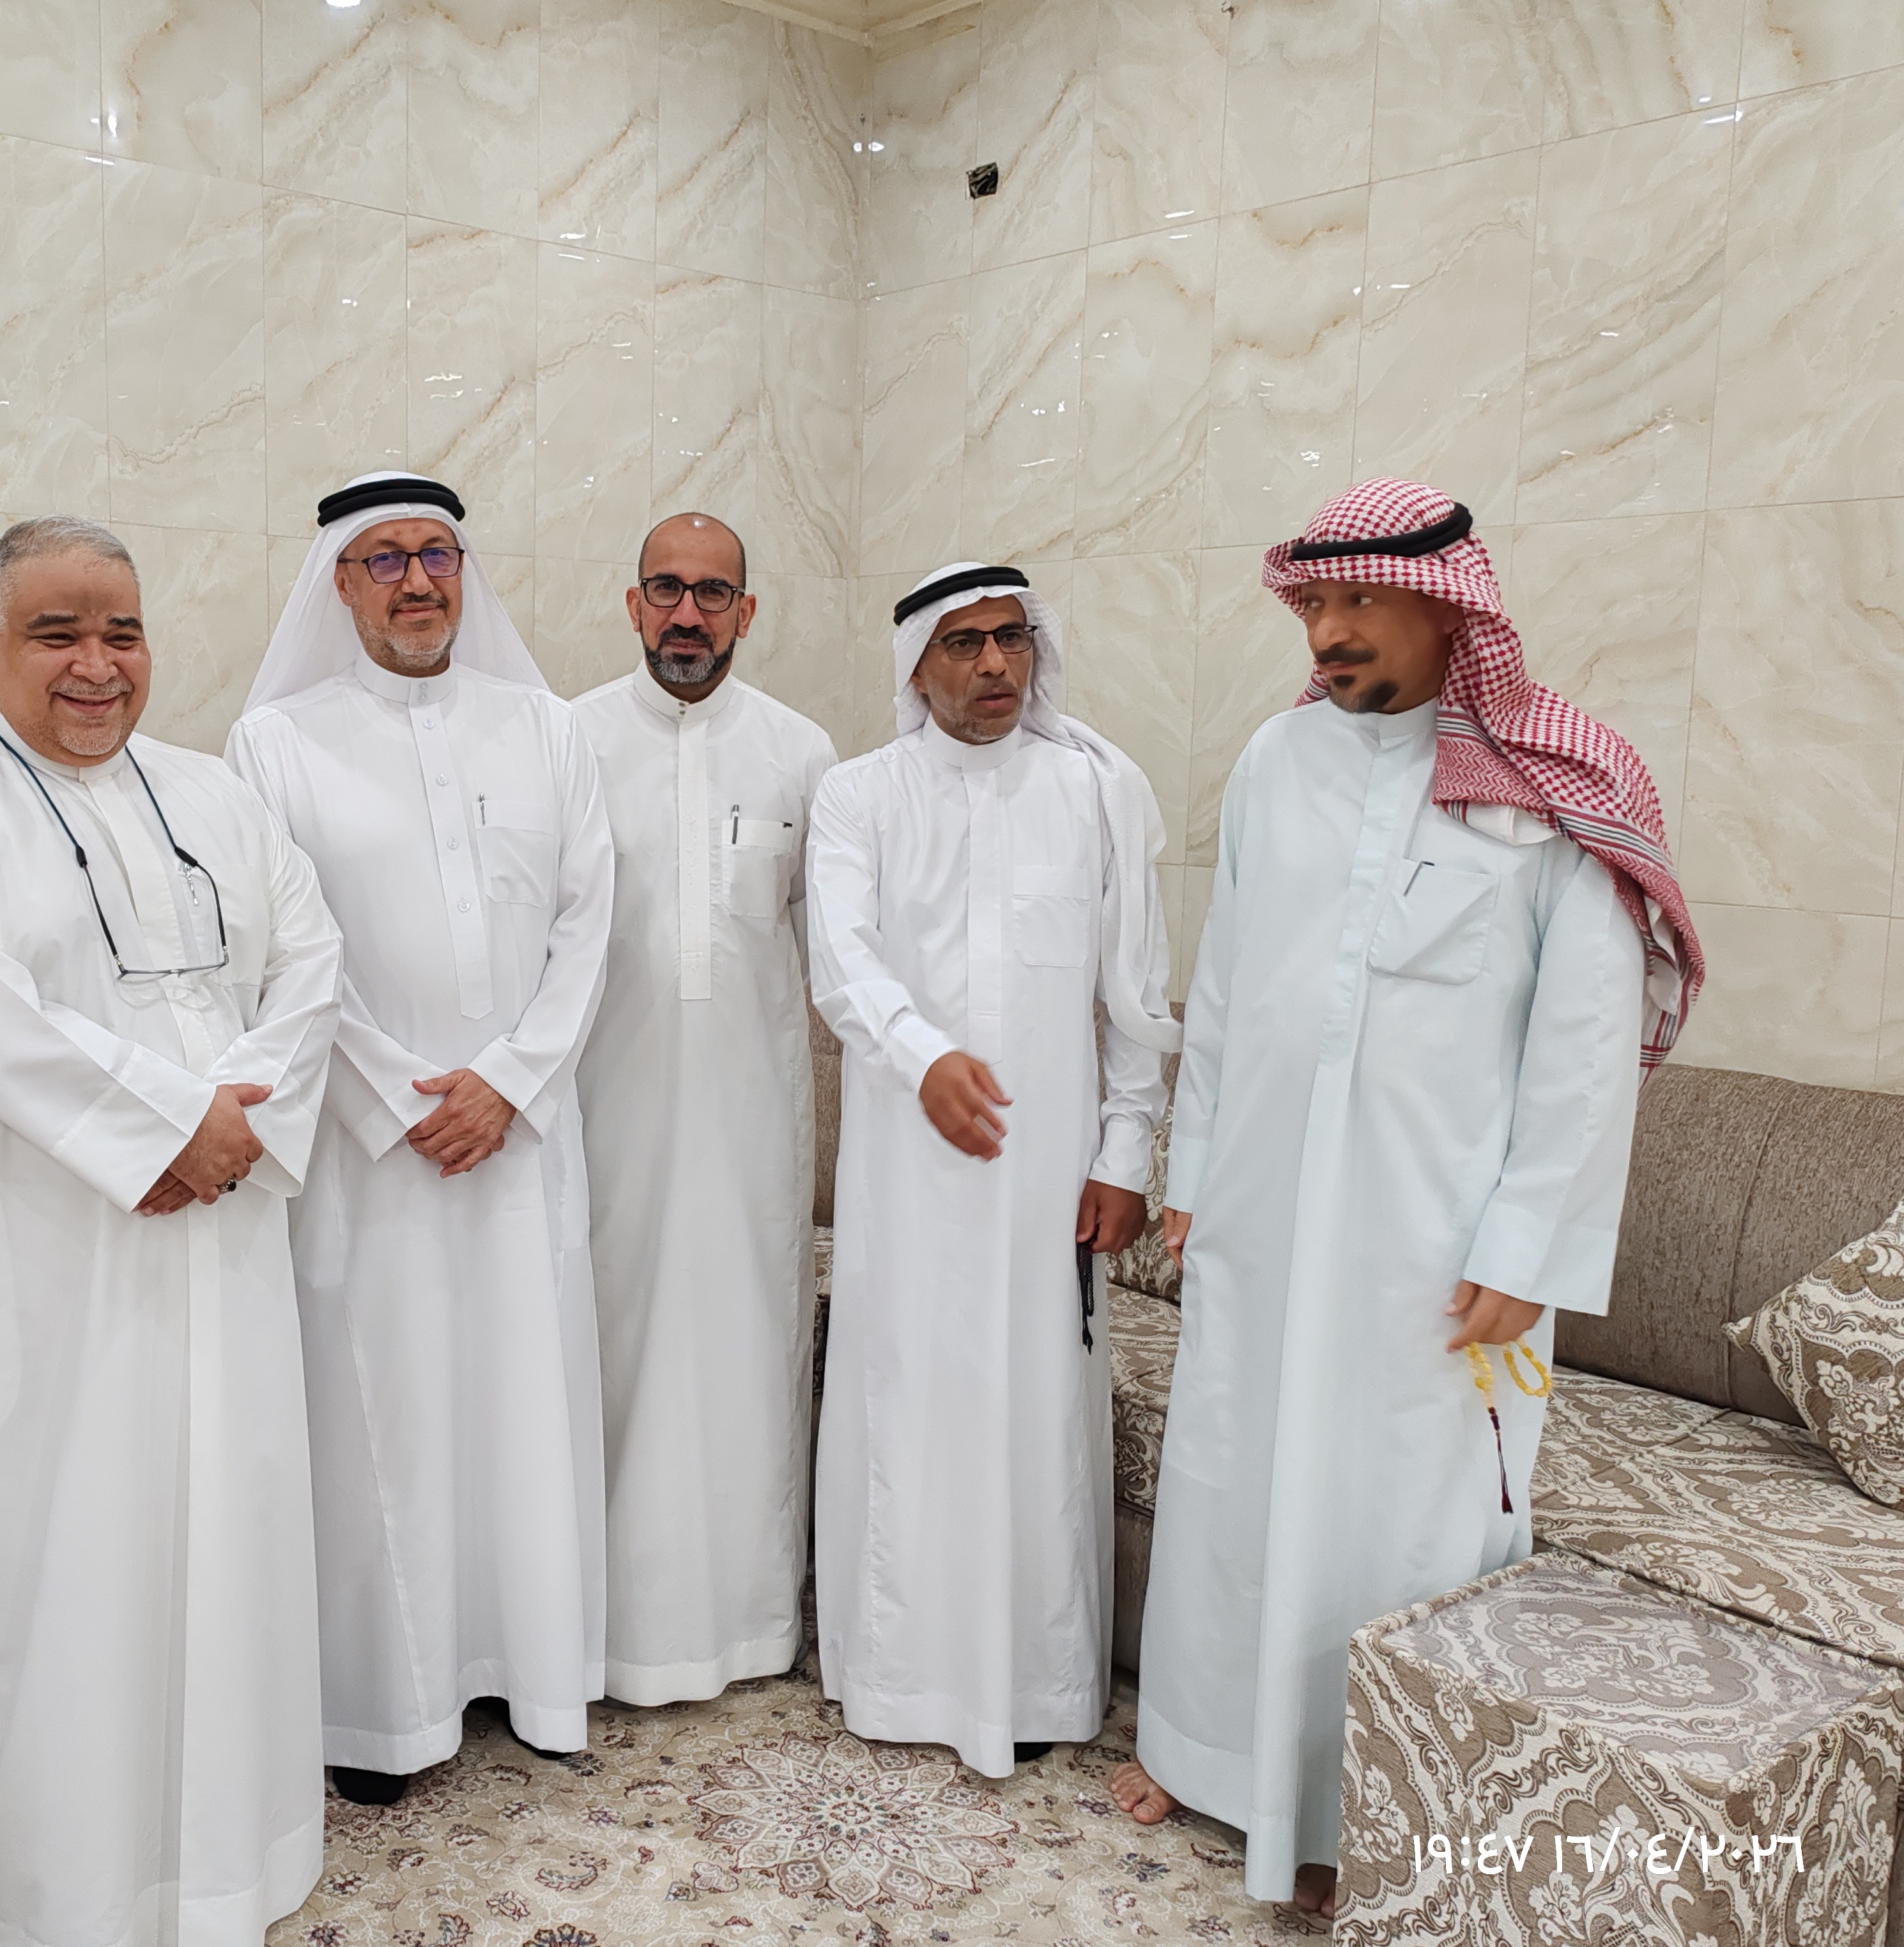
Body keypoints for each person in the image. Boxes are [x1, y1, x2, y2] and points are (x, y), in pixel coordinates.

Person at [1112, 480, 1705, 1915]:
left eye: (1359, 602)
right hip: (1261, 1220)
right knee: (1233, 1482)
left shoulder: (1560, 790)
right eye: (1313, 603)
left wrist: (1530, 1246)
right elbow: (1230, 985)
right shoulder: (1275, 761)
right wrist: (1193, 1174)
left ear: (1451, 608)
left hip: (1438, 1254)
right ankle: (1202, 1754)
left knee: (1397, 1515)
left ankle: (1360, 1809)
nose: (1328, 631)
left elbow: (1583, 1053)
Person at [0, 516, 341, 1944]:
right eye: (58, 633)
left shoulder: (219, 796)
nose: (97, 665)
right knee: (32, 1577)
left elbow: (311, 967)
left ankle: (219, 1863)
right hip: (24, 1262)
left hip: (218, 1245)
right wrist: (162, 1127)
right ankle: (38, 1891)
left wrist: (230, 1128)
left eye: (122, 633)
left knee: (219, 1543)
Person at [226, 471, 615, 1807]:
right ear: (340, 583)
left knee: (525, 1400)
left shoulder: (547, 727)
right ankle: (386, 1714)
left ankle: (533, 1677)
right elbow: (286, 952)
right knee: (382, 1416)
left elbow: (588, 924)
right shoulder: (276, 744)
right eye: (384, 560)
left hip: (520, 1142)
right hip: (372, 1156)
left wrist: (508, 1083)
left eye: (436, 556)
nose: (415, 582)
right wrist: (404, 1097)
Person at [805, 561, 1179, 1780]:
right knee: (905, 1398)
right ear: (917, 666)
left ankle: (1037, 1681)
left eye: (1012, 639)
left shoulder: (1095, 789)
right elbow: (842, 961)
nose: (994, 665)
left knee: (1034, 1408)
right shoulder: (860, 794)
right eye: (963, 644)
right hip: (907, 1176)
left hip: (1047, 1179)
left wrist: (1124, 1151)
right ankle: (898, 1675)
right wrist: (923, 1059)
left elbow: (1135, 995)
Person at [570, 512, 836, 1706]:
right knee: (609, 1347)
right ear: (632, 604)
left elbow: (835, 944)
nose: (689, 614)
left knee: (744, 1355)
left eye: (713, 593)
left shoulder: (801, 751)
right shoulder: (569, 740)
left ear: (747, 611)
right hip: (601, 1114)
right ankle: (599, 1629)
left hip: (750, 1121)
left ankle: (748, 1624)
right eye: (667, 590)